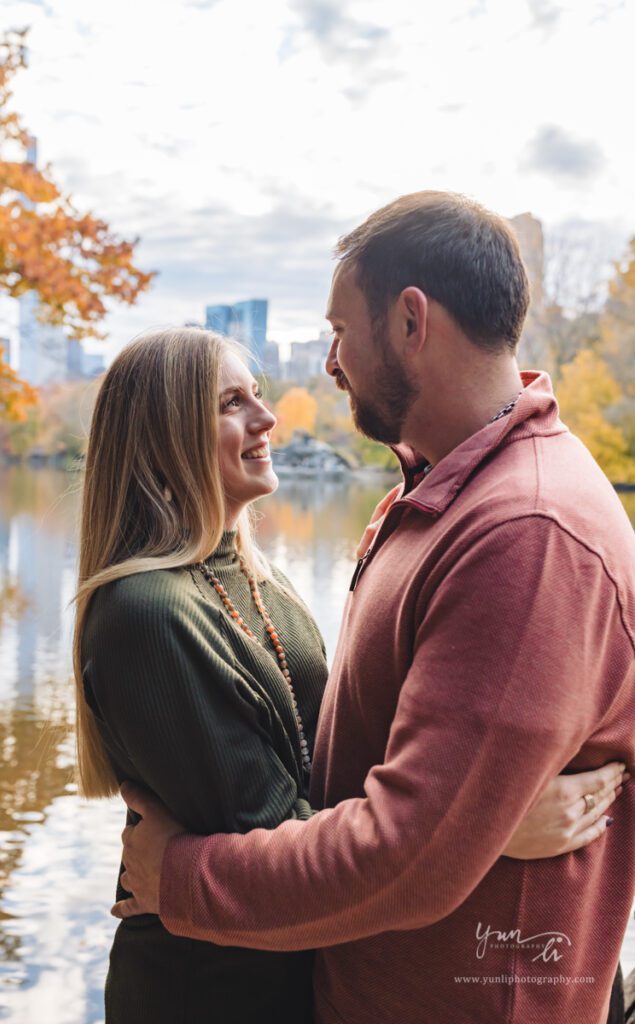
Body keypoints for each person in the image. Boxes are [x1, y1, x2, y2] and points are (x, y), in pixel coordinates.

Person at [112, 193, 635, 1024]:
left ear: (410, 322)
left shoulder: (527, 534)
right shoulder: (435, 493)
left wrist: (179, 880)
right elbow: (404, 797)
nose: (327, 362)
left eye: (339, 329)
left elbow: (409, 855)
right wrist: (481, 823)